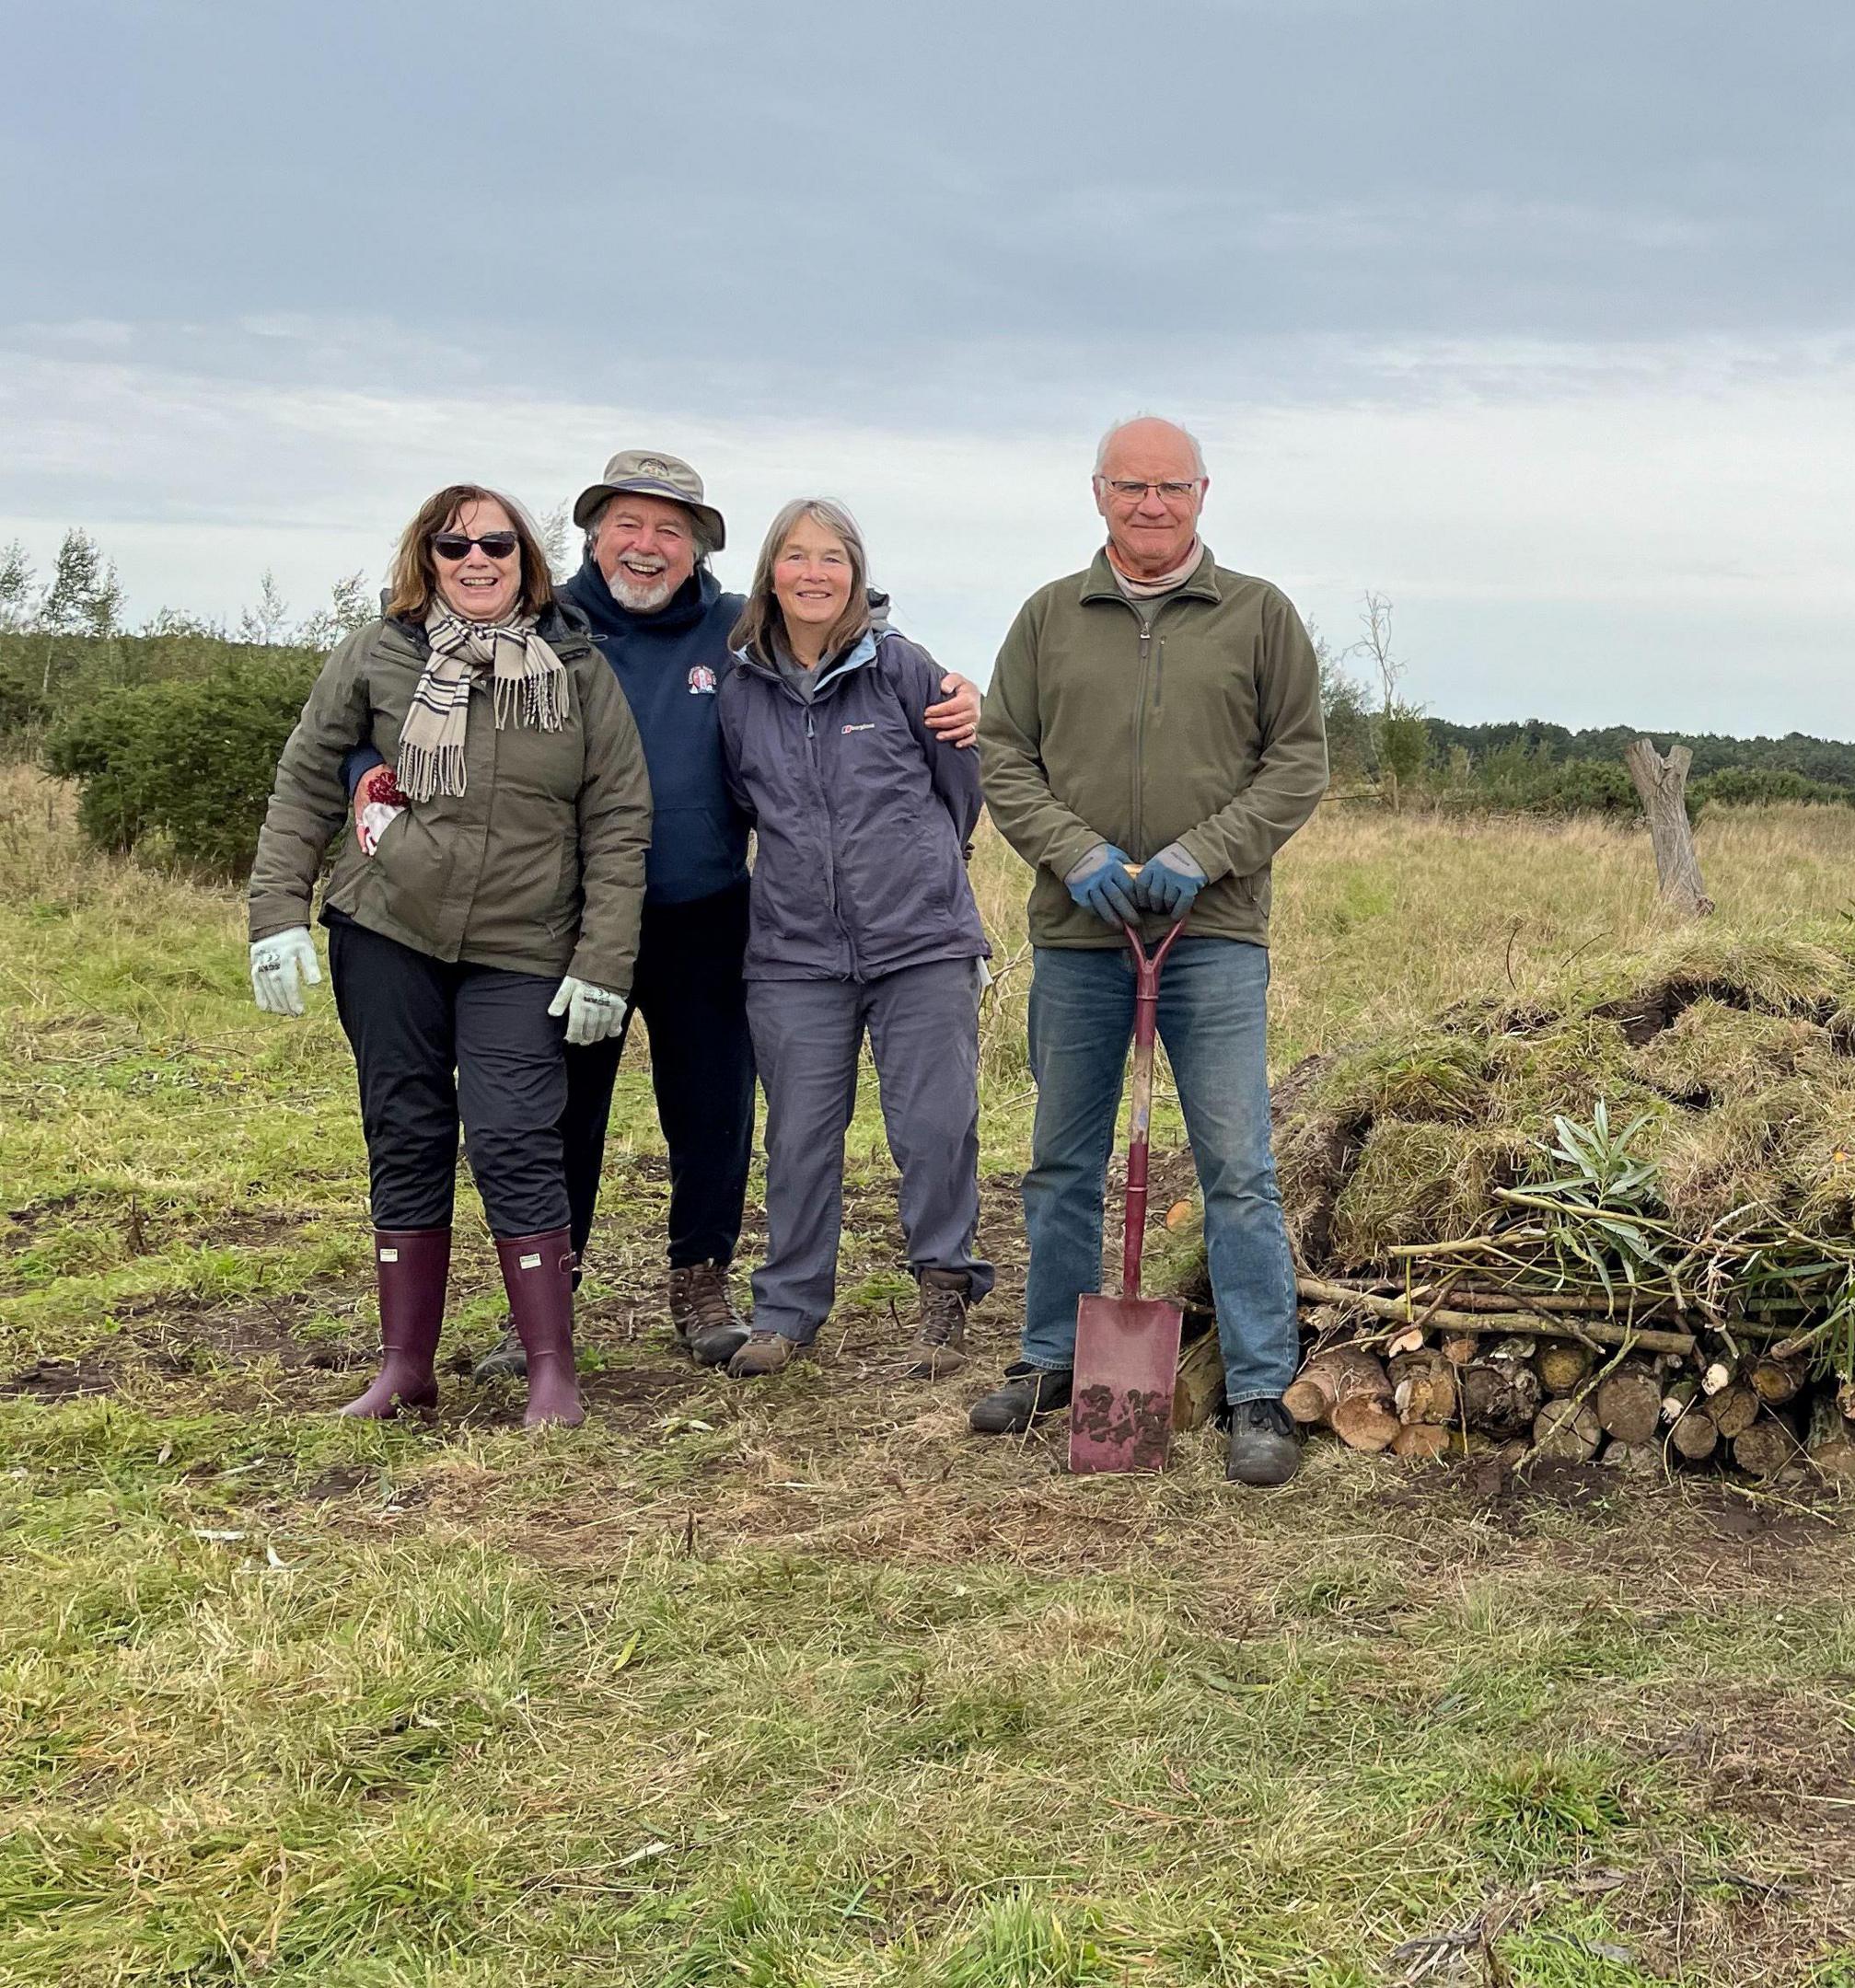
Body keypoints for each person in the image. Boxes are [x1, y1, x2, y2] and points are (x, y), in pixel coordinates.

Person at [458, 451, 980, 1383]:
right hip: (568, 921)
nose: (647, 546)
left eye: (670, 529)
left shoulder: (733, 639)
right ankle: (542, 1306)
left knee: (714, 1116)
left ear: (699, 545)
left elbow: (937, 780)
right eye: (628, 524)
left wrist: (961, 718)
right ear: (591, 532)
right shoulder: (544, 626)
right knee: (559, 1117)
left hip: (708, 913)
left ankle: (701, 1282)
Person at [244, 483, 652, 1428]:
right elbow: (306, 781)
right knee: (405, 1132)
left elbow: (621, 818)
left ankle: (552, 1370)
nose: (477, 560)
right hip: (387, 931)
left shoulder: (577, 671)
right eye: (454, 544)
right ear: (426, 557)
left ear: (528, 562)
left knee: (514, 1137)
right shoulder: (377, 655)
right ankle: (404, 1369)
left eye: (497, 546)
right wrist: (275, 914)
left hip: (525, 943)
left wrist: (606, 961)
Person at [974, 416, 1329, 1483]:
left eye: (1171, 486)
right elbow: (1004, 753)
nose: (1151, 505)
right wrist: (1075, 851)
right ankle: (1051, 1359)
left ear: (1203, 494)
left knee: (1237, 1165)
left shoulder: (1259, 616)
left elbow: (1296, 763)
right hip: (1082, 938)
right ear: (1098, 495)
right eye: (1130, 486)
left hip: (1210, 935)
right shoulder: (1048, 618)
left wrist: (1206, 852)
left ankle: (1262, 1389)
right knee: (1061, 1165)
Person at [711, 499, 994, 1380]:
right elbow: (742, 803)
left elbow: (960, 788)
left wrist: (915, 873)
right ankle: (788, 1310)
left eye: (832, 558)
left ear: (856, 574)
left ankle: (944, 1289)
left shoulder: (902, 668)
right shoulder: (739, 686)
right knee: (797, 1135)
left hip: (920, 943)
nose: (814, 573)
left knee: (934, 1126)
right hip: (795, 953)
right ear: (771, 572)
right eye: (796, 556)